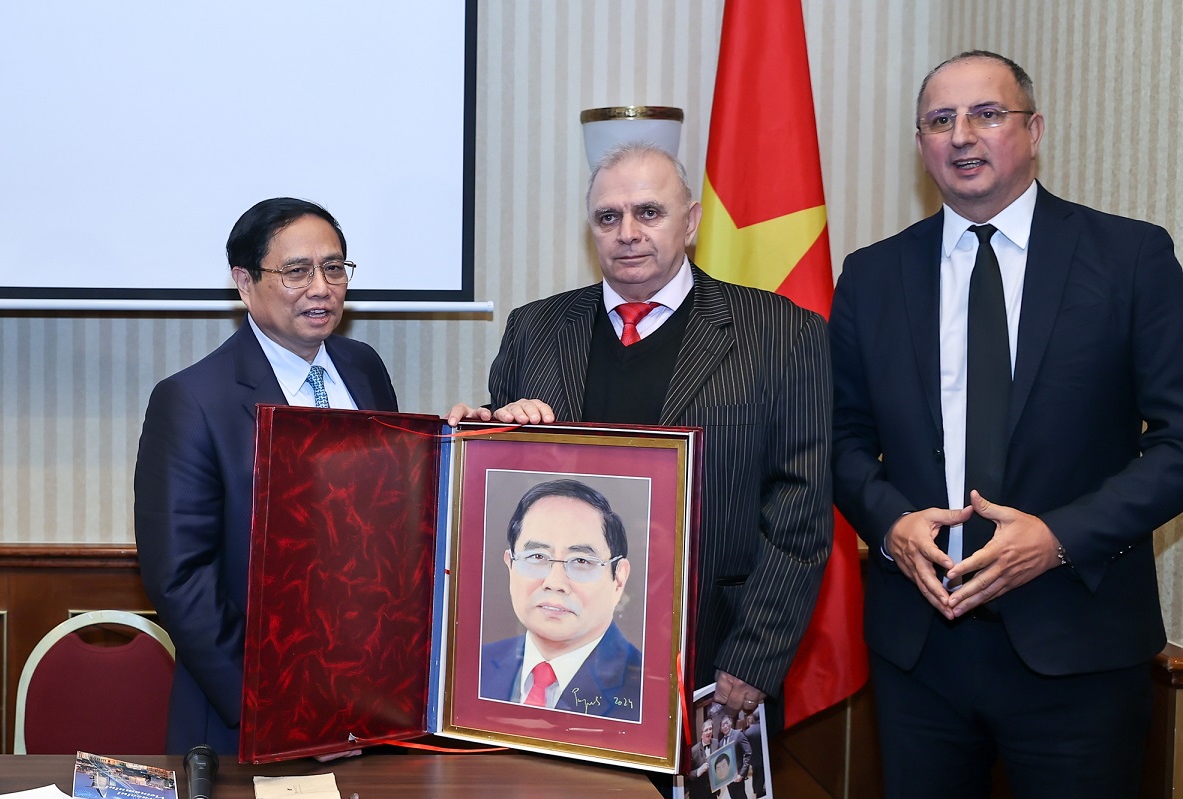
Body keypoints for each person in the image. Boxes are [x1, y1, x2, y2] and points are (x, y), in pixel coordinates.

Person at [829, 50, 1183, 798]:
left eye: (986, 114)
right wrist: (890, 524)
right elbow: (840, 437)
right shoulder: (871, 275)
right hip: (920, 654)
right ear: (921, 144)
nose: (961, 135)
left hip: (1079, 647)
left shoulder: (1130, 257)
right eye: (939, 120)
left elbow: (1178, 442)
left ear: (1035, 129)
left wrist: (1059, 538)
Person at [449, 141, 832, 725]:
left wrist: (754, 658)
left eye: (649, 212)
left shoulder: (782, 333)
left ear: (691, 221)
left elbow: (799, 514)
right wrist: (481, 434)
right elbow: (509, 486)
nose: (627, 233)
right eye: (608, 217)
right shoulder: (534, 329)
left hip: (714, 658)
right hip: (556, 659)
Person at [134, 198, 399, 754]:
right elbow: (181, 579)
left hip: (371, 699)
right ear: (244, 282)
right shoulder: (191, 401)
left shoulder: (365, 368)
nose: (321, 288)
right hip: (253, 717)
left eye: (333, 268)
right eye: (297, 271)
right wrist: (274, 700)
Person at [479, 479, 642, 720]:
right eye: (537, 556)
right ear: (510, 565)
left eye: (581, 561)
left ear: (618, 578)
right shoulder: (473, 667)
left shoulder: (647, 692)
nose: (555, 582)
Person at [716, 714, 752, 799]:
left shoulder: (738, 734)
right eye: (722, 725)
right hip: (728, 778)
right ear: (720, 728)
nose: (725, 726)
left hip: (738, 776)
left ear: (730, 723)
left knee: (741, 796)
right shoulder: (721, 742)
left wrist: (741, 774)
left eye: (726, 723)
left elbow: (748, 753)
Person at [688, 718, 719, 797]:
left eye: (710, 729)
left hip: (713, 790)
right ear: (701, 734)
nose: (709, 732)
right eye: (706, 730)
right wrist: (699, 771)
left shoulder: (716, 743)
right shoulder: (694, 751)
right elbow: (687, 775)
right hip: (699, 791)